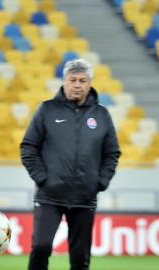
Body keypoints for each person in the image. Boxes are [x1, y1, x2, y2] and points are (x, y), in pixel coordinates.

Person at [20, 59, 121, 270]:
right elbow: (28, 147)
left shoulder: (101, 115)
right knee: (41, 246)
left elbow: (112, 153)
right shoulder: (47, 110)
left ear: (89, 83)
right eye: (72, 80)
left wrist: (99, 182)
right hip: (49, 195)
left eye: (82, 80)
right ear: (64, 82)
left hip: (85, 198)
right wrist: (42, 178)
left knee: (80, 258)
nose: (77, 85)